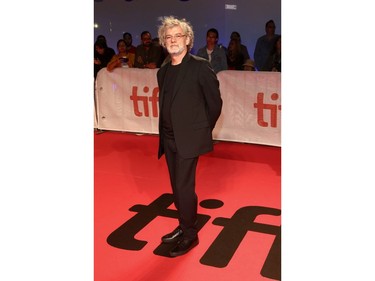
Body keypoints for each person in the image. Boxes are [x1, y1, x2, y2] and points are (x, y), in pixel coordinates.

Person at [156, 16, 223, 257]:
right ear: (164, 42)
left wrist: (200, 131)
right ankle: (183, 224)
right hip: (168, 138)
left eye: (178, 36)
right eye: (169, 37)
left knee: (184, 188)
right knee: (176, 186)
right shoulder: (163, 70)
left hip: (188, 139)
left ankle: (190, 235)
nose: (173, 40)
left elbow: (214, 103)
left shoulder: (199, 66)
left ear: (188, 40)